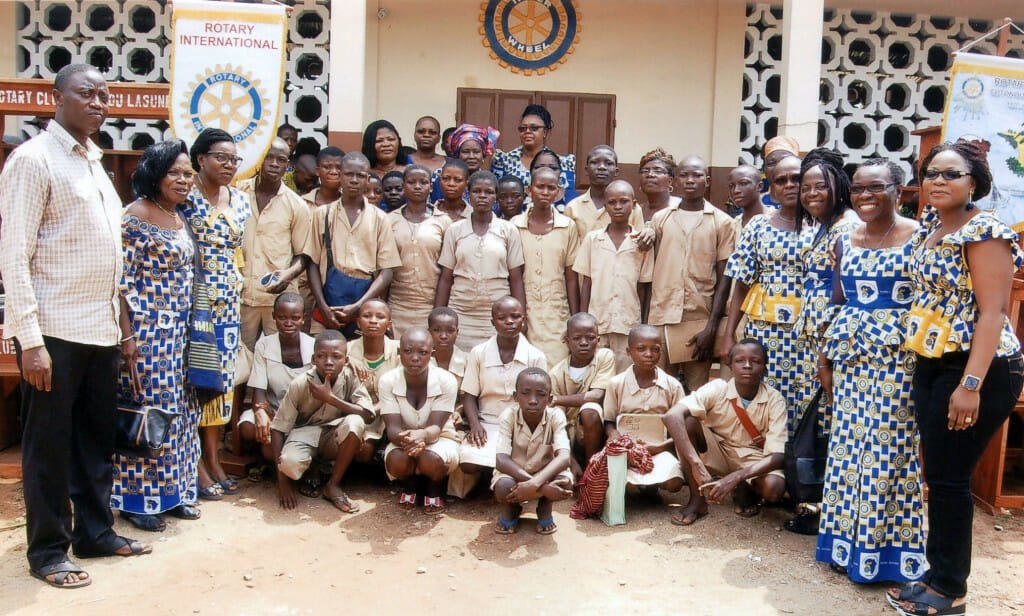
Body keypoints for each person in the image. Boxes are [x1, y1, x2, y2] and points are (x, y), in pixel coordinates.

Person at [0, 64, 150, 587]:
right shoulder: (32, 161)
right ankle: (47, 550)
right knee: (47, 444)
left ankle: (94, 532)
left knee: (93, 439)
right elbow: (14, 256)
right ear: (56, 96)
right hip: (55, 333)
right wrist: (30, 340)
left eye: (104, 95)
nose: (98, 102)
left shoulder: (94, 161)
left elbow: (110, 258)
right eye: (86, 93)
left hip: (102, 330)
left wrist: (125, 332)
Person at [889, 141, 1024, 616]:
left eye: (951, 173)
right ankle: (935, 574)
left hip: (977, 368)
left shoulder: (985, 231)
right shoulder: (931, 226)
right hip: (933, 359)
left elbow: (992, 313)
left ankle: (950, 592)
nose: (938, 181)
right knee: (940, 474)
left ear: (974, 182)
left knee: (950, 479)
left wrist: (970, 386)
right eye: (931, 173)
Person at [816, 159, 923, 584]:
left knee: (888, 453)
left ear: (899, 190)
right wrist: (826, 356)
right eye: (857, 188)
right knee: (846, 450)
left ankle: (885, 555)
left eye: (875, 188)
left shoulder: (918, 239)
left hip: (898, 360)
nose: (863, 196)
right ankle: (845, 546)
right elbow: (839, 301)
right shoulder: (844, 237)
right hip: (851, 359)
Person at [110, 139, 200, 533]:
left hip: (180, 333)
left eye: (187, 173)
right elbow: (120, 284)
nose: (183, 180)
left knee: (181, 412)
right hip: (146, 335)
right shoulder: (134, 216)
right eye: (175, 173)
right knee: (148, 412)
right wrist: (126, 339)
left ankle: (174, 492)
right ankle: (136, 500)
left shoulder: (180, 215)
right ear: (155, 174)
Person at [786, 147, 859, 535]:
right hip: (815, 342)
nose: (811, 193)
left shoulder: (845, 228)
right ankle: (819, 508)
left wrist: (826, 356)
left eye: (820, 186)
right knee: (819, 426)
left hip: (831, 344)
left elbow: (840, 295)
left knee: (828, 427)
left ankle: (826, 513)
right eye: (806, 187)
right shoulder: (825, 227)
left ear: (840, 186)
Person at [182, 127, 253, 499]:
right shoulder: (183, 196)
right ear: (201, 160)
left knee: (220, 388)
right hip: (193, 306)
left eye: (234, 159)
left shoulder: (240, 200)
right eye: (221, 158)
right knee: (195, 384)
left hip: (229, 305)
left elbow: (239, 251)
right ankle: (194, 465)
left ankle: (213, 459)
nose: (229, 165)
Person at [662, 339, 787, 526]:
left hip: (751, 457)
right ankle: (697, 500)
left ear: (765, 368)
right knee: (687, 421)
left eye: (755, 361)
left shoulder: (774, 399)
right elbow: (671, 416)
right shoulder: (718, 388)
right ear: (730, 364)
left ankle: (744, 488)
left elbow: (778, 456)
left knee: (774, 488)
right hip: (716, 451)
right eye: (740, 361)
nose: (747, 365)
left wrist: (736, 476)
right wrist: (696, 463)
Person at [723, 154, 806, 428]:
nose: (790, 185)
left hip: (806, 334)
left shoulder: (823, 227)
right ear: (771, 187)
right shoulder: (758, 226)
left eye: (797, 179)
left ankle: (795, 464)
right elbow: (741, 283)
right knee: (764, 398)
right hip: (764, 331)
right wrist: (729, 335)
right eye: (781, 180)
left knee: (803, 402)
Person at [648, 155, 736, 391]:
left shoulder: (722, 222)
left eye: (696, 175)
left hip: (699, 320)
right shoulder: (660, 219)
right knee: (660, 390)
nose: (690, 180)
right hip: (661, 317)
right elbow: (648, 270)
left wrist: (711, 327)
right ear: (675, 181)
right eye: (684, 175)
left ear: (706, 181)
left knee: (697, 394)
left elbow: (725, 279)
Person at [271, 331, 375, 514]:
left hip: (332, 434)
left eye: (336, 357)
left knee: (355, 423)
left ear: (346, 359)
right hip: (304, 435)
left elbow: (368, 415)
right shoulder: (300, 384)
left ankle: (333, 485)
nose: (329, 361)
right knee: (290, 464)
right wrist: (283, 482)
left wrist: (331, 398)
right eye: (322, 356)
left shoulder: (350, 376)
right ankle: (314, 468)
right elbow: (278, 428)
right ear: (313, 359)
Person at [303, 152, 401, 337]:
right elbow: (312, 264)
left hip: (365, 305)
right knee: (325, 360)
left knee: (361, 363)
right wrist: (323, 307)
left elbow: (387, 271)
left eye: (360, 176)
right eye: (349, 174)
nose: (354, 180)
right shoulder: (323, 214)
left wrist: (358, 306)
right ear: (340, 176)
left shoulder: (380, 218)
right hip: (327, 304)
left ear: (367, 179)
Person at [457, 297, 547, 495]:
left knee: (524, 460)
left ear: (523, 320)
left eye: (515, 317)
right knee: (468, 463)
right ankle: (488, 478)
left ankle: (510, 482)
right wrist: (475, 425)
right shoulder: (478, 353)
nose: (509, 322)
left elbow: (541, 401)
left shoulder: (535, 356)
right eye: (502, 317)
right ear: (492, 322)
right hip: (487, 422)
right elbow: (469, 395)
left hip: (522, 425)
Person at [435, 170, 527, 351]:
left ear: (496, 197)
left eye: (489, 192)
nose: (482, 196)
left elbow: (515, 278)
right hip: (461, 311)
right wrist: (438, 315)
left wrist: (520, 318)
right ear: (468, 194)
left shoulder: (508, 230)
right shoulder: (455, 230)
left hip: (497, 314)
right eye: (477, 191)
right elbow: (446, 278)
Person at [237, 138, 311, 351]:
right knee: (240, 364)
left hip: (276, 300)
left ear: (288, 164)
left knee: (277, 359)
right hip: (241, 297)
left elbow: (303, 255)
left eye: (281, 159)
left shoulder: (296, 205)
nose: (274, 164)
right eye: (269, 157)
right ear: (258, 158)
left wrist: (287, 275)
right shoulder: (236, 194)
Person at [574, 179, 653, 372]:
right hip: (597, 324)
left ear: (634, 205)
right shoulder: (593, 240)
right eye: (612, 202)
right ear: (605, 205)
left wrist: (642, 323)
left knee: (624, 375)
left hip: (628, 324)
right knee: (595, 375)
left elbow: (644, 288)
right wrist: (584, 321)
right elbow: (587, 283)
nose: (618, 207)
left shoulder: (641, 243)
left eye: (624, 201)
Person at [380, 327, 461, 515]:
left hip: (441, 437)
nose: (415, 357)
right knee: (397, 460)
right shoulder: (388, 381)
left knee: (430, 459)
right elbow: (392, 429)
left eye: (422, 352)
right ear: (400, 353)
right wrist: (409, 440)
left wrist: (422, 436)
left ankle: (434, 488)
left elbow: (436, 428)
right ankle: (410, 486)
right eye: (408, 351)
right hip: (402, 439)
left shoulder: (446, 380)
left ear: (431, 354)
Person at [602, 325, 686, 497]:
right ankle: (636, 487)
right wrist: (613, 435)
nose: (649, 354)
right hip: (626, 450)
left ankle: (653, 486)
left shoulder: (672, 385)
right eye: (641, 349)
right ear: (628, 351)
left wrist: (661, 447)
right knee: (618, 483)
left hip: (660, 449)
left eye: (655, 349)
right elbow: (609, 421)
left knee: (674, 483)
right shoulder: (616, 384)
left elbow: (683, 428)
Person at [510, 166, 581, 364]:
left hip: (556, 312)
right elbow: (513, 275)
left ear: (558, 192)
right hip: (524, 311)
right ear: (529, 190)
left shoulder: (567, 227)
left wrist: (574, 318)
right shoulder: (514, 226)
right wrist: (519, 315)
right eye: (540, 187)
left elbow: (571, 276)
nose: (545, 192)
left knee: (555, 368)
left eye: (551, 188)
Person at [492, 368, 574, 535]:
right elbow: (501, 460)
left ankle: (545, 508)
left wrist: (535, 484)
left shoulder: (556, 416)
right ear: (515, 396)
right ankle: (512, 508)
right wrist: (540, 486)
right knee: (503, 486)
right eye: (525, 393)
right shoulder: (508, 416)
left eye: (541, 394)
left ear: (550, 399)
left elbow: (564, 457)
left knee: (564, 483)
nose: (533, 400)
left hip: (545, 473)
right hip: (515, 475)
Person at [238, 293, 314, 468]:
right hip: (273, 409)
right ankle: (265, 459)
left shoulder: (313, 346)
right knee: (249, 427)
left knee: (274, 450)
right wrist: (261, 413)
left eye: (295, 318)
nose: (288, 323)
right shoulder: (264, 345)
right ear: (273, 317)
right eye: (282, 317)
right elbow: (258, 388)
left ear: (303, 319)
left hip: (302, 415)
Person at [387, 165, 450, 338]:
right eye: (411, 182)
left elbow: (447, 270)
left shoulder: (443, 221)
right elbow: (384, 267)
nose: (417, 186)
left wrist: (438, 311)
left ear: (431, 186)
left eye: (423, 182)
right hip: (397, 306)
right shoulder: (390, 220)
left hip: (430, 305)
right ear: (403, 186)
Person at [548, 313, 616, 475]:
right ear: (566, 340)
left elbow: (597, 396)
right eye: (577, 338)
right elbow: (554, 420)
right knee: (550, 416)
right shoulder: (556, 373)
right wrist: (570, 460)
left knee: (590, 409)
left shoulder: (604, 357)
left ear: (598, 340)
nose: (584, 343)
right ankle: (573, 463)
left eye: (590, 338)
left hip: (596, 429)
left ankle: (590, 467)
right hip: (569, 435)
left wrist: (556, 399)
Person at [345, 300, 399, 459]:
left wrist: (372, 410)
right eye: (367, 316)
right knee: (362, 451)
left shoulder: (401, 350)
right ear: (358, 322)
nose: (373, 321)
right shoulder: (346, 350)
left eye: (380, 317)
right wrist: (346, 359)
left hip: (393, 415)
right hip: (360, 415)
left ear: (389, 324)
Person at [491, 104, 576, 202]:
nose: (527, 131)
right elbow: (496, 197)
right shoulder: (504, 160)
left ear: (545, 132)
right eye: (523, 128)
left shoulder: (562, 163)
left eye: (534, 128)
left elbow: (569, 200)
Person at [564, 145, 643, 237]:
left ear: (616, 171)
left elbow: (639, 243)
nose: (602, 167)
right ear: (586, 170)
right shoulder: (572, 208)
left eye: (609, 163)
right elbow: (569, 246)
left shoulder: (633, 208)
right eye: (595, 162)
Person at [428, 306, 468, 390]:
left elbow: (468, 398)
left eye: (450, 330)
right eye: (436, 330)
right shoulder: (419, 360)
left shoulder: (468, 362)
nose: (443, 336)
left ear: (457, 332)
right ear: (429, 332)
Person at [637, 148, 680, 222]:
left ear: (670, 180)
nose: (650, 174)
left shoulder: (680, 208)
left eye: (658, 171)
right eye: (645, 171)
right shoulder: (637, 211)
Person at [759, 135, 800, 209]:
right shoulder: (755, 205)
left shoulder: (809, 204)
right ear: (764, 170)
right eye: (772, 163)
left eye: (784, 161)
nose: (778, 167)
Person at [727, 164, 764, 230]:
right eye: (731, 186)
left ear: (759, 186)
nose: (736, 190)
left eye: (743, 183)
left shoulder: (776, 221)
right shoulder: (734, 224)